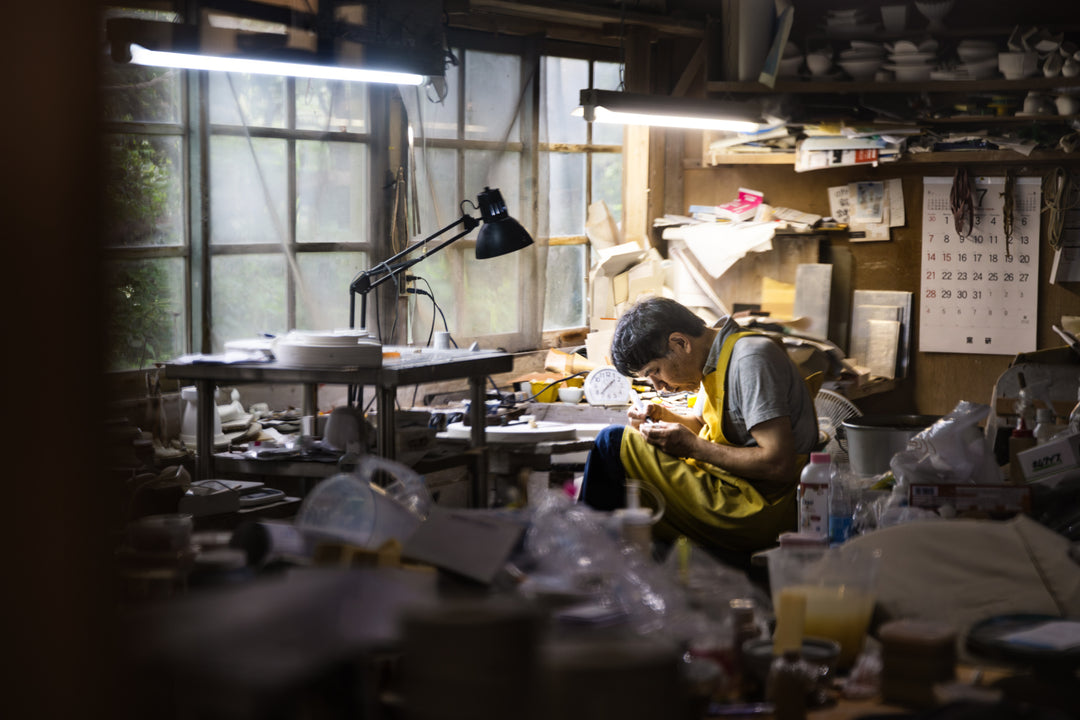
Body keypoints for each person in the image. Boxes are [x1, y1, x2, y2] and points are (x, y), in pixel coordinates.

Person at [580, 297, 819, 566]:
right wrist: (662, 416)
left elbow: (779, 464)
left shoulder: (750, 358)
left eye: (655, 372)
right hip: (733, 486)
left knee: (612, 443)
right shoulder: (718, 355)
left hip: (759, 507)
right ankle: (605, 567)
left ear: (680, 343)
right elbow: (706, 425)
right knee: (625, 457)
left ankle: (588, 567)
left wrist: (692, 447)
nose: (659, 387)